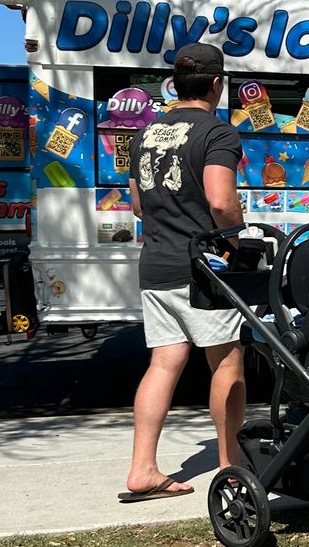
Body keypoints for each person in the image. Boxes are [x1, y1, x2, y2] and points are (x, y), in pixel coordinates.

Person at [120, 43, 247, 503]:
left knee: (163, 363)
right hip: (201, 268)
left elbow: (137, 205)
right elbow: (219, 200)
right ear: (217, 83)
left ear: (175, 84)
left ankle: (142, 469)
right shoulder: (218, 133)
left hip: (155, 263)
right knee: (227, 362)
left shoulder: (144, 135)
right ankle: (232, 466)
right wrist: (234, 239)